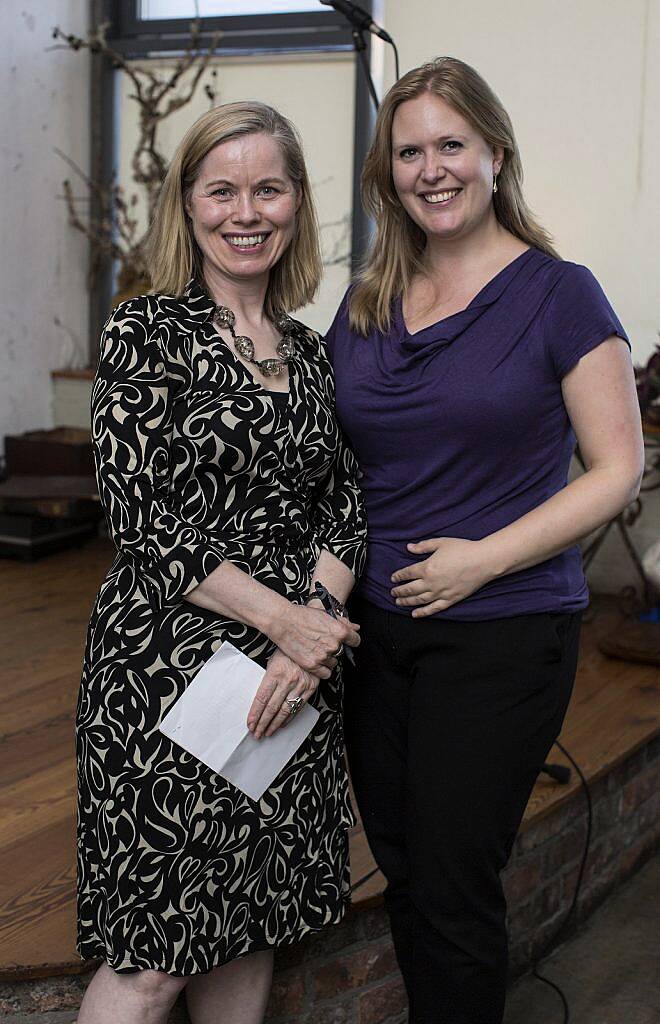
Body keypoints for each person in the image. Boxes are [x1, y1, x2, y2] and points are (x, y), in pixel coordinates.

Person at [326, 57, 644, 1024]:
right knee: (411, 875)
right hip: (376, 634)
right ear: (389, 171)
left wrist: (483, 558)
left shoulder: (559, 294)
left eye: (451, 145)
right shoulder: (368, 297)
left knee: (457, 886)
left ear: (495, 155)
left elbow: (617, 469)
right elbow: (335, 462)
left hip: (504, 629)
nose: (432, 168)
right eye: (409, 150)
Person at [76, 101, 366, 1024]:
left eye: (268, 188)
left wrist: (305, 643)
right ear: (189, 207)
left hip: (291, 686)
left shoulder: (315, 356)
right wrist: (287, 624)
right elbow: (142, 519)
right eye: (223, 190)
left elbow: (347, 509)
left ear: (296, 202)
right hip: (169, 683)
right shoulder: (145, 335)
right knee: (154, 958)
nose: (247, 212)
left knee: (248, 927)